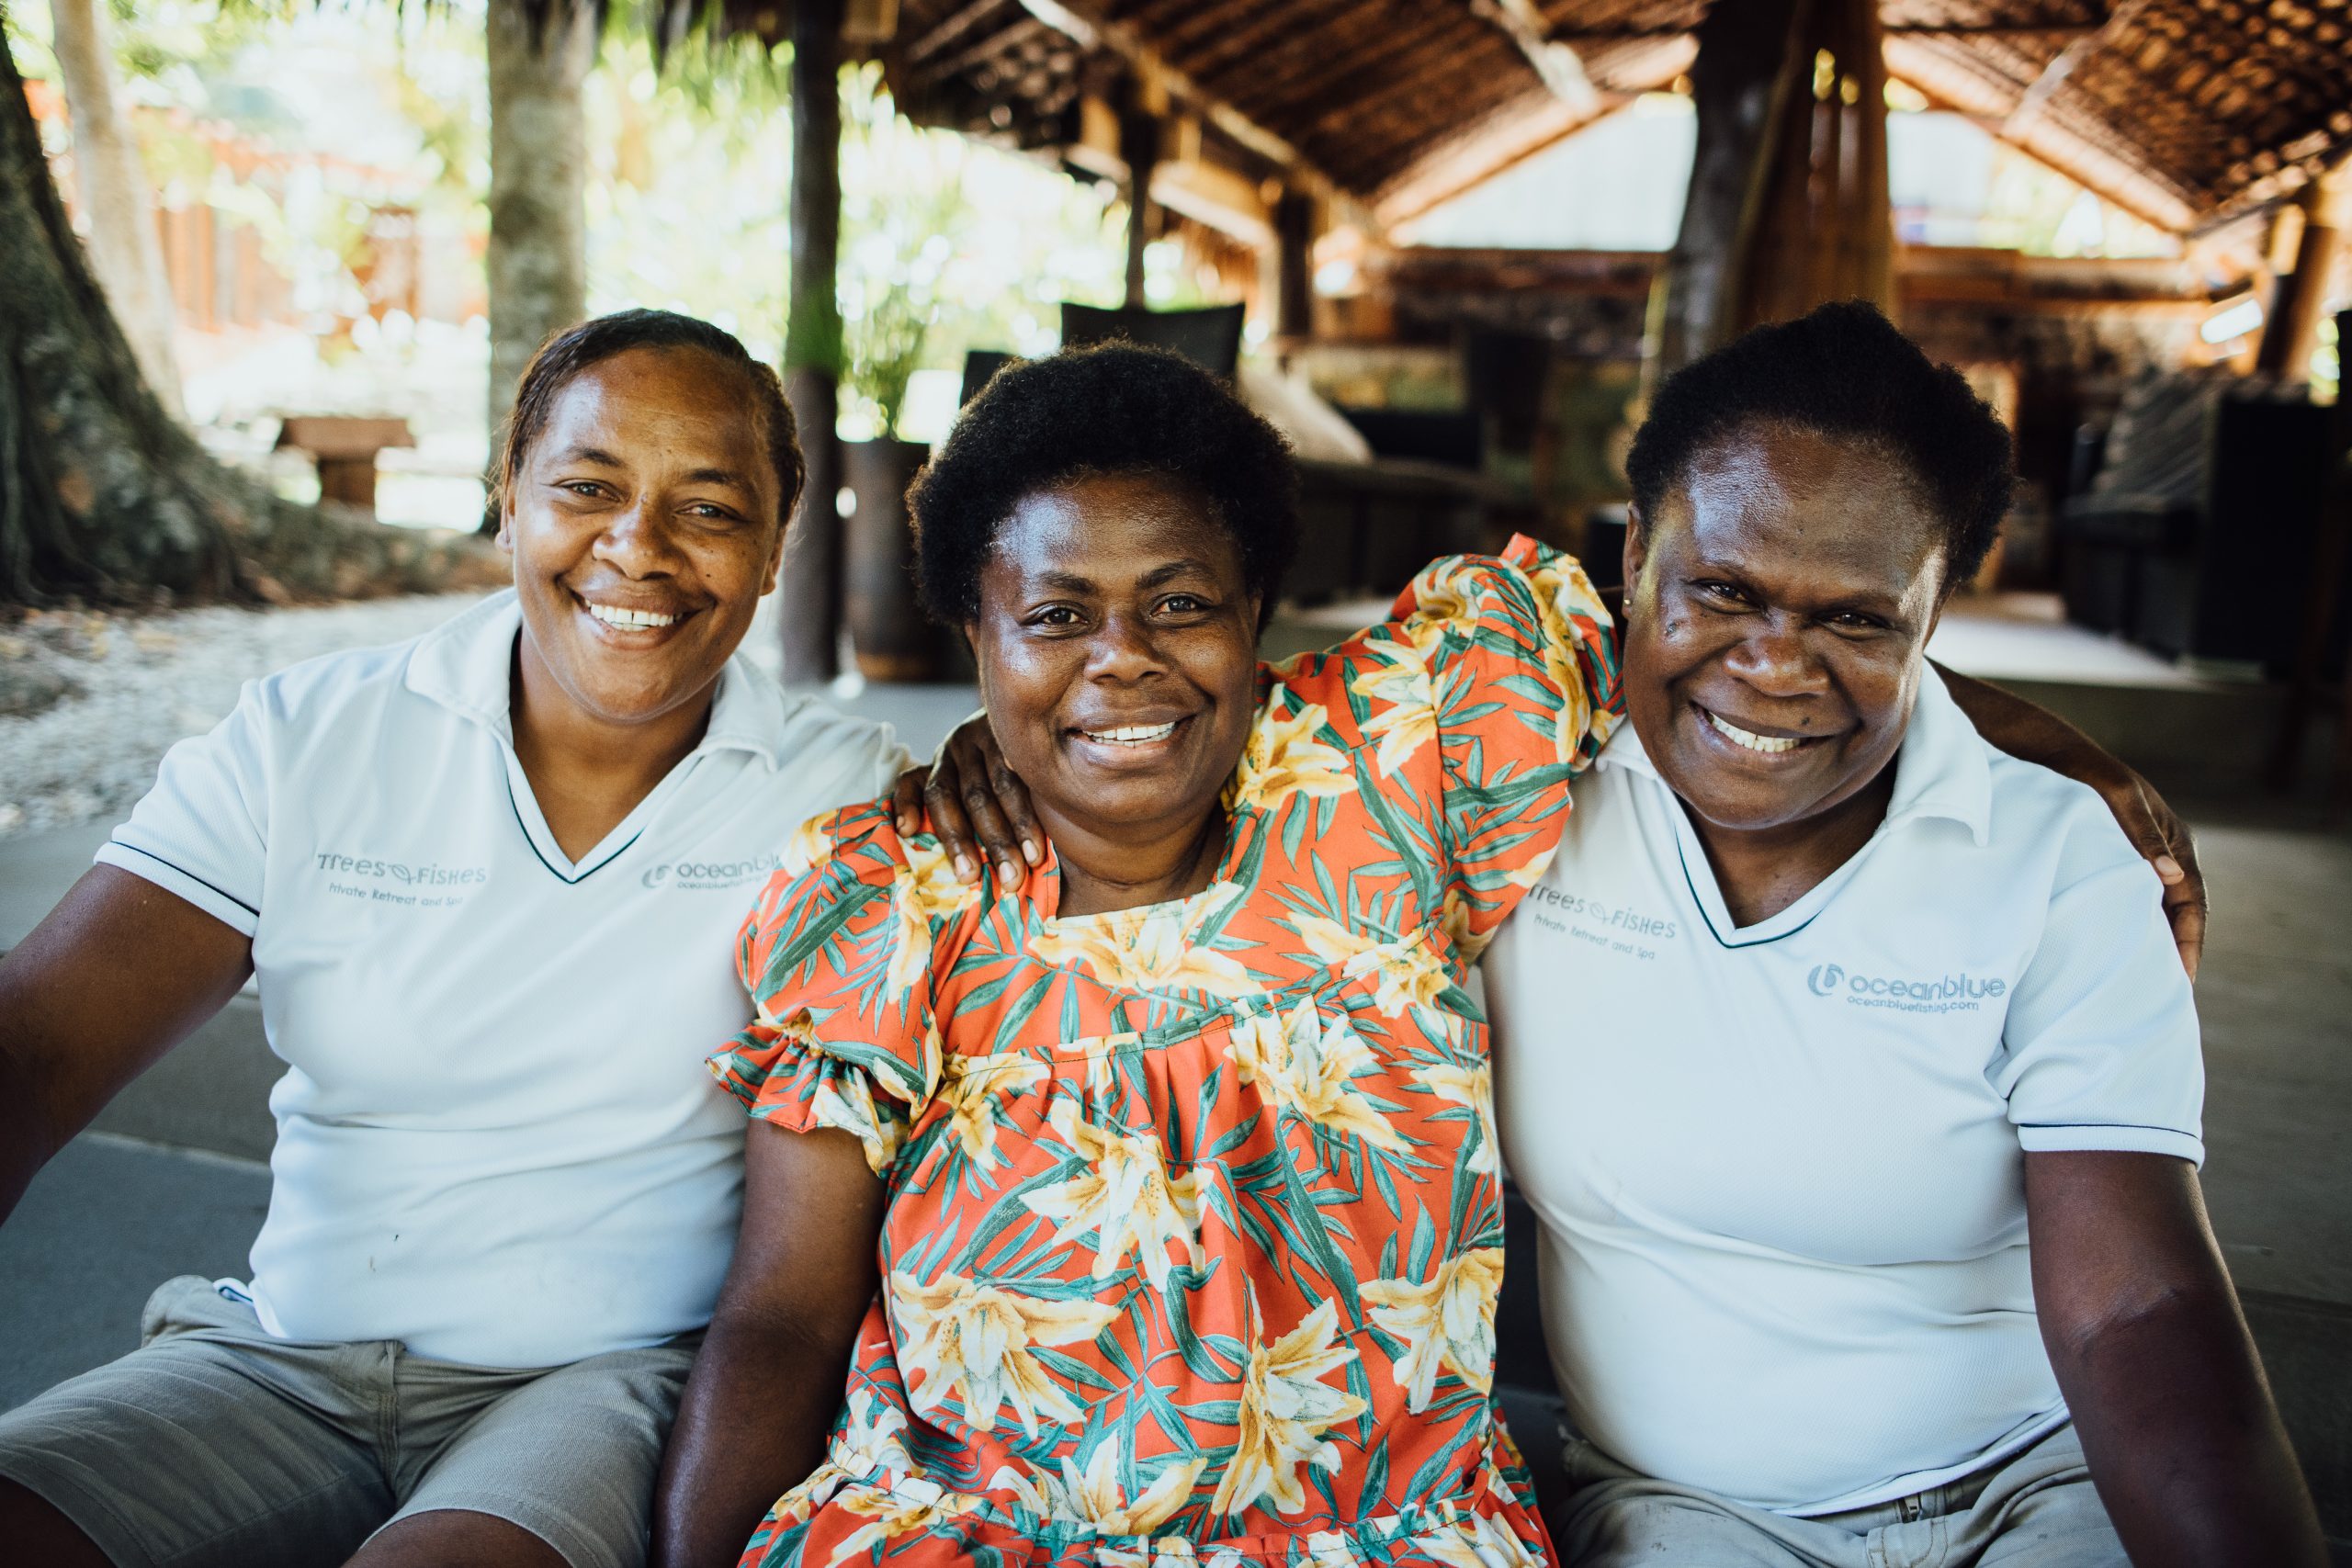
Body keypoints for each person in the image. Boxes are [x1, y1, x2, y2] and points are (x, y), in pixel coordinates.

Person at [0, 309, 1014, 1568]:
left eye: (709, 508)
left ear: (772, 552)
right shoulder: (310, 738)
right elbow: (36, 1042)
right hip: (279, 1356)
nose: (637, 548)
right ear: (507, 502)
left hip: (602, 1385)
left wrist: (1009, 747)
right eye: (586, 487)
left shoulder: (850, 795)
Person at [651, 343, 1621, 1568]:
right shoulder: (895, 902)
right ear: (974, 636)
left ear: (1255, 605)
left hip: (1380, 1537)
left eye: (1179, 604)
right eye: (1055, 618)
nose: (1121, 658)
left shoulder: (1395, 772)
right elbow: (783, 1315)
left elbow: (1730, 633)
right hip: (969, 1539)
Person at [1476, 304, 2323, 1565]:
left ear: (1934, 619)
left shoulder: (2057, 859)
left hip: (2036, 1484)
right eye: (1721, 590)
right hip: (1686, 1512)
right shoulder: (1506, 787)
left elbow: (2136, 1308)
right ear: (1637, 554)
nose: (1774, 665)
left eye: (1858, 619)